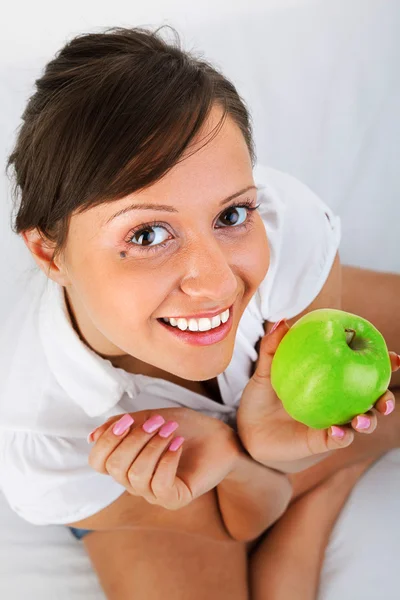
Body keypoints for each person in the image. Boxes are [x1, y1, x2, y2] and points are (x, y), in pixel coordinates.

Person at [2, 24, 400, 599]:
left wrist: (272, 448)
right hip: (154, 488)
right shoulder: (45, 440)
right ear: (48, 251)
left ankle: (330, 477)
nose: (216, 283)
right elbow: (245, 518)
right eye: (147, 234)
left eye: (231, 215)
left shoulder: (284, 233)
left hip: (280, 354)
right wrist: (238, 459)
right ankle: (330, 477)